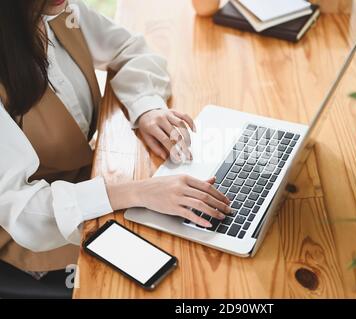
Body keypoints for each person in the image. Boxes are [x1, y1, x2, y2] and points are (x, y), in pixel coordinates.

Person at [0, 0, 231, 276]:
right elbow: (21, 211)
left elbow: (128, 48)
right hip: (38, 232)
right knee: (188, 269)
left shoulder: (59, 10)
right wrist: (138, 191)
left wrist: (145, 107)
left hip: (89, 185)